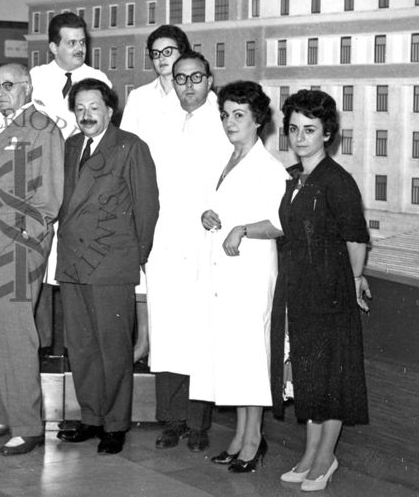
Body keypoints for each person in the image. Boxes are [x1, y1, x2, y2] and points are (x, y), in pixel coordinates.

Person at [271, 89, 372, 492]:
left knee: (331, 379)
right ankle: (310, 454)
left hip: (331, 294)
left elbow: (356, 239)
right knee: (310, 378)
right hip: (301, 290)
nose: (300, 137)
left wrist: (354, 280)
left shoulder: (337, 180)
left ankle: (326, 458)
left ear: (327, 133)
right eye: (294, 129)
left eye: (309, 130)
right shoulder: (295, 178)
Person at [0, 63, 64, 456]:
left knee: (17, 337)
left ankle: (27, 424)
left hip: (15, 251)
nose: (1, 92)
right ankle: (4, 413)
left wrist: (26, 242)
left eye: (9, 85)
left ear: (27, 88)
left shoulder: (41, 127)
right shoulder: (1, 128)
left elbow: (49, 197)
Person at [55, 79, 159, 454]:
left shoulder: (130, 147)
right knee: (81, 346)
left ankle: (115, 424)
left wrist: (135, 255)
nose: (86, 115)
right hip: (72, 262)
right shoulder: (68, 146)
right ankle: (91, 417)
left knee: (113, 348)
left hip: (111, 262)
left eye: (94, 107)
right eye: (80, 108)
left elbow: (147, 209)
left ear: (109, 110)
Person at [189, 81, 289, 472]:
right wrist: (208, 215)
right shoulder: (226, 160)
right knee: (233, 357)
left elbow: (281, 224)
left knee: (250, 358)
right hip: (224, 274)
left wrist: (243, 228)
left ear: (257, 120)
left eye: (239, 115)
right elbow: (216, 207)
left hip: (250, 275)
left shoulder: (270, 168)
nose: (230, 122)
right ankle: (241, 436)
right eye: (226, 114)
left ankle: (253, 439)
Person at [146, 51, 230, 452]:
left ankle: (198, 423)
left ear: (209, 80)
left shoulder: (224, 122)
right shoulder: (162, 119)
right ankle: (172, 419)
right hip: (165, 241)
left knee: (200, 333)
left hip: (204, 243)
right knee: (167, 332)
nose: (189, 85)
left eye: (197, 77)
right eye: (180, 79)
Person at [30, 11, 111, 354]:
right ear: (53, 46)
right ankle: (43, 344)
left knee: (75, 259)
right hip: (44, 175)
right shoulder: (35, 77)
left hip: (82, 175)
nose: (80, 48)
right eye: (71, 42)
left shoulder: (98, 78)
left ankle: (70, 346)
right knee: (41, 263)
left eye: (83, 42)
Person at [120, 25, 191, 365]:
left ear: (183, 52)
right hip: (144, 195)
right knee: (142, 275)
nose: (162, 60)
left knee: (175, 276)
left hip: (182, 200)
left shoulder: (196, 94)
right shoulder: (139, 98)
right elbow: (127, 148)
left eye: (169, 52)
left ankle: (171, 347)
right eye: (156, 54)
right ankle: (143, 342)